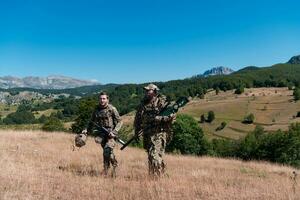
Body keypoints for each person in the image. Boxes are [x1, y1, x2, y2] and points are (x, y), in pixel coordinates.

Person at [134, 83, 175, 177]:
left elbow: (172, 116)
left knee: (154, 155)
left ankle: (158, 177)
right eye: (146, 90)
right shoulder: (143, 103)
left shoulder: (162, 102)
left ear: (155, 91)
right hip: (147, 133)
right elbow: (138, 119)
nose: (146, 92)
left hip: (159, 133)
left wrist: (158, 118)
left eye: (149, 90)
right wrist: (137, 131)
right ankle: (153, 176)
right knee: (151, 155)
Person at [82, 91, 123, 177]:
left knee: (107, 151)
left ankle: (106, 170)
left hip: (111, 134)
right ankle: (115, 165)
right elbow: (91, 122)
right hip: (101, 135)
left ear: (107, 99)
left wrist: (114, 132)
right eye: (100, 98)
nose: (102, 100)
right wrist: (86, 130)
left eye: (104, 98)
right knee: (108, 153)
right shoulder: (96, 109)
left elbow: (120, 121)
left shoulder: (112, 109)